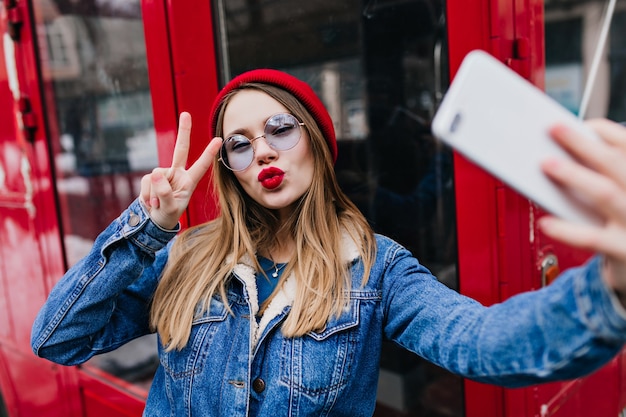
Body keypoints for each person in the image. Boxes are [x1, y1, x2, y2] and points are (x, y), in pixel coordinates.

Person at [31, 69, 626, 417]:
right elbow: (58, 339)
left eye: (279, 129)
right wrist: (150, 227)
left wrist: (612, 287)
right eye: (238, 143)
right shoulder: (185, 257)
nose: (260, 150)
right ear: (230, 169)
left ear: (315, 142)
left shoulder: (376, 270)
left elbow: (484, 345)